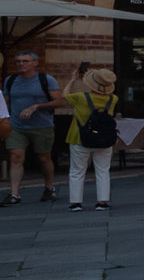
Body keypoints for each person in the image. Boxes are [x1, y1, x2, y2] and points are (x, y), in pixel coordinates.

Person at [4, 48, 65, 205]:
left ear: (35, 63)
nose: (21, 64)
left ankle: (49, 187)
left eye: (25, 61)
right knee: (15, 157)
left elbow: (60, 101)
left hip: (42, 125)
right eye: (18, 62)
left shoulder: (46, 80)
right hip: (16, 126)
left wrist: (37, 106)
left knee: (43, 158)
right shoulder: (10, 80)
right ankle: (14, 194)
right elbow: (5, 102)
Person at [64, 67, 118, 211]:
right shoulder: (113, 99)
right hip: (104, 138)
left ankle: (76, 202)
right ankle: (102, 202)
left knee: (77, 171)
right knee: (103, 171)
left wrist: (74, 79)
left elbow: (66, 95)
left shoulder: (81, 97)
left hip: (80, 137)